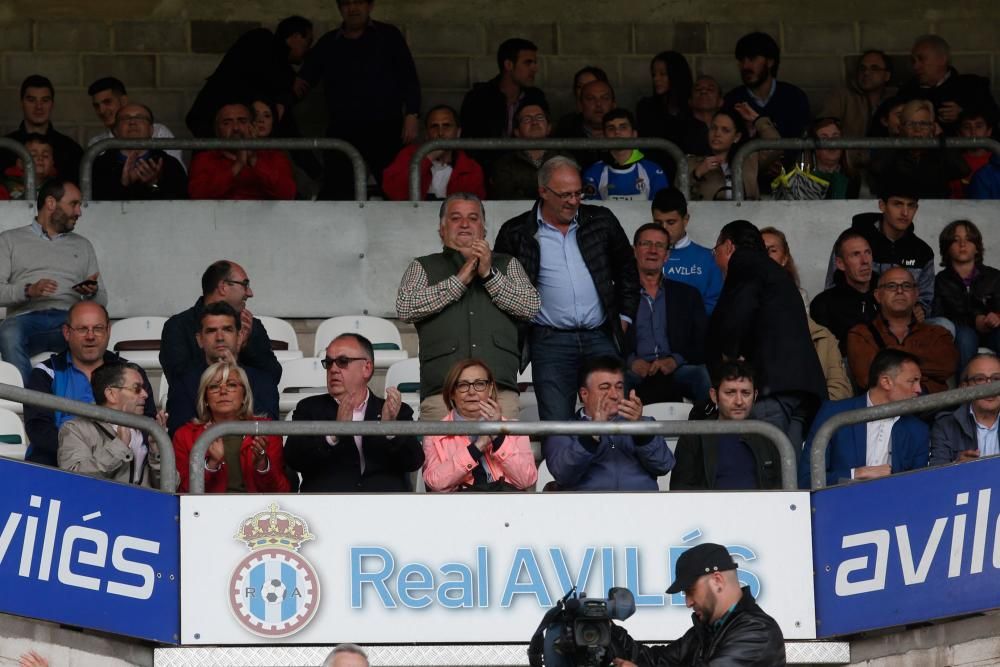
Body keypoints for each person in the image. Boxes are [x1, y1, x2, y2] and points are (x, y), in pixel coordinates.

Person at [494, 156, 639, 421]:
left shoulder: (601, 220)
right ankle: (557, 465)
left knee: (615, 417)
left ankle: (613, 465)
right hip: (549, 341)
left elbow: (628, 269)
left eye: (578, 193)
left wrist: (624, 319)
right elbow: (501, 290)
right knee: (557, 424)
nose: (573, 201)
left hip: (600, 336)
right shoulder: (516, 232)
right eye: (565, 195)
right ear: (543, 192)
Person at [396, 193, 539, 421]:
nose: (464, 224)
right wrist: (458, 281)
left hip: (498, 393)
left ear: (483, 229)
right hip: (443, 395)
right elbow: (405, 308)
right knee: (443, 458)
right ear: (441, 230)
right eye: (455, 218)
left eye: (473, 218)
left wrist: (489, 275)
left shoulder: (508, 264)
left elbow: (530, 307)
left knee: (504, 457)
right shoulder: (422, 266)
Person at [709, 220, 826, 446]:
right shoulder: (773, 272)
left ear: (729, 247)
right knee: (789, 468)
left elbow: (740, 311)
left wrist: (729, 357)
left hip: (772, 387)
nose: (716, 261)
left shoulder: (744, 263)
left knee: (769, 465)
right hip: (801, 388)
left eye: (717, 252)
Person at [297, 0, 420, 200]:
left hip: (386, 128)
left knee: (396, 189)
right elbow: (303, 81)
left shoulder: (388, 36)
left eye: (358, 3)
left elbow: (409, 77)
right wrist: (279, 100)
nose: (353, 8)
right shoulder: (329, 42)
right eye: (346, 3)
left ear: (370, 6)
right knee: (337, 193)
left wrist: (412, 114)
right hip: (344, 131)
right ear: (339, 8)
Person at [24, 301, 158, 468]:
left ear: (108, 331)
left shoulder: (130, 371)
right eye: (82, 329)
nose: (90, 336)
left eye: (98, 328)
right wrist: (87, 454)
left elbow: (147, 421)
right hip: (59, 467)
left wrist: (109, 455)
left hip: (122, 464)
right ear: (66, 332)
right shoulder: (46, 372)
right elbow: (39, 430)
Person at [284, 333, 424, 492]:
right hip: (327, 509)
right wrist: (333, 433)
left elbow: (414, 461)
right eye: (329, 363)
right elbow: (294, 458)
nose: (333, 369)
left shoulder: (395, 411)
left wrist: (391, 429)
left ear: (367, 368)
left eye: (343, 362)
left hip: (383, 509)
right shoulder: (309, 408)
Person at [610, 543, 786, 666]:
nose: (688, 602)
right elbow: (654, 660)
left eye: (690, 590)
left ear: (717, 580)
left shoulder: (757, 631)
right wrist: (606, 629)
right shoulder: (705, 632)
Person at [0, 180, 105, 382]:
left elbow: (103, 300)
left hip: (68, 319)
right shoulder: (9, 240)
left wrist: (91, 293)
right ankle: (29, 401)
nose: (79, 212)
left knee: (91, 332)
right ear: (51, 203)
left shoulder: (83, 245)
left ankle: (84, 397)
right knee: (8, 332)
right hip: (26, 319)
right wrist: (28, 291)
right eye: (73, 204)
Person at [799, 349, 928, 488]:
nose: (919, 389)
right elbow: (806, 480)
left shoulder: (918, 429)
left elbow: (917, 487)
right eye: (912, 381)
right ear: (886, 382)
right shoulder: (834, 414)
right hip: (841, 504)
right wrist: (857, 473)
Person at [543, 356, 674, 491]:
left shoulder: (644, 424)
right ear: (584, 394)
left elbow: (663, 466)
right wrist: (591, 436)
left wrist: (640, 431)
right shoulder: (563, 431)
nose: (614, 395)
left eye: (619, 387)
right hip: (588, 509)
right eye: (605, 387)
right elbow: (563, 475)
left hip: (640, 508)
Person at [760, 227, 852, 401]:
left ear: (784, 258)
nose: (766, 256)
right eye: (760, 251)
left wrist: (813, 413)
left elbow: (840, 389)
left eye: (772, 250)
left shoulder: (823, 338)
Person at [186, 17, 314, 140]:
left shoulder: (277, 72)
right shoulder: (261, 40)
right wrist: (289, 81)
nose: (308, 49)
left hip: (214, 126)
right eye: (308, 42)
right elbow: (264, 70)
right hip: (210, 121)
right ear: (296, 36)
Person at [173, 361, 289, 493]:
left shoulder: (266, 430)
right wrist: (211, 464)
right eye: (214, 387)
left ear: (244, 396)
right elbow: (182, 494)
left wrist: (262, 464)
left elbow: (282, 492)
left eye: (232, 385)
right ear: (205, 399)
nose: (223, 391)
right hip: (208, 511)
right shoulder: (185, 435)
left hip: (256, 511)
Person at [421, 358, 537, 492]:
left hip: (505, 507)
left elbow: (526, 480)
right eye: (463, 385)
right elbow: (435, 483)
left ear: (490, 388)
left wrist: (498, 436)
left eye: (480, 384)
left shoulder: (515, 429)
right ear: (452, 392)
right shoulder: (434, 432)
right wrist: (477, 447)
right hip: (458, 508)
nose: (471, 392)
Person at [160, 259, 281, 387]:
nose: (250, 293)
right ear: (223, 287)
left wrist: (246, 347)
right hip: (193, 405)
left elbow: (272, 377)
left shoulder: (250, 326)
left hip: (247, 405)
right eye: (245, 285)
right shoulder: (178, 326)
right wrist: (219, 357)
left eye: (228, 329)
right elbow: (178, 380)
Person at [626, 223, 709, 404]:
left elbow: (702, 339)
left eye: (660, 245)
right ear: (634, 251)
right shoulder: (618, 295)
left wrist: (674, 360)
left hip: (677, 368)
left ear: (667, 255)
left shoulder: (688, 294)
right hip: (632, 370)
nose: (653, 250)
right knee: (611, 381)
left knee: (701, 375)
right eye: (646, 244)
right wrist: (631, 362)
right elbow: (606, 339)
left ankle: (709, 431)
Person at [165, 302, 279, 435]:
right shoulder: (183, 384)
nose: (219, 338)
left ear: (240, 337)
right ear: (200, 340)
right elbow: (179, 435)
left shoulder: (263, 381)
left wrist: (236, 374)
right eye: (211, 331)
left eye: (227, 329)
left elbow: (268, 431)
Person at [825, 184, 935, 317]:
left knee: (943, 325)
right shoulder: (852, 240)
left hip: (903, 321)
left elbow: (926, 299)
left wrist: (920, 309)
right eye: (898, 204)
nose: (905, 212)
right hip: (855, 318)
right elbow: (832, 288)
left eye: (911, 205)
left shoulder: (922, 251)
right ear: (882, 205)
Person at [671, 360, 781, 490]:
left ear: (755, 396)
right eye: (730, 393)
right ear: (713, 395)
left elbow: (782, 493)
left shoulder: (769, 436)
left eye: (746, 393)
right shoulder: (694, 437)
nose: (739, 401)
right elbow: (680, 493)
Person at [846, 267, 957, 394]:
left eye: (906, 286)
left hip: (930, 408)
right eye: (891, 286)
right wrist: (921, 376)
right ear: (878, 295)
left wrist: (887, 357)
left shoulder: (937, 333)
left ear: (916, 294)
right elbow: (867, 379)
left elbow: (946, 367)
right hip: (882, 410)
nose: (900, 290)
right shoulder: (861, 334)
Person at [58, 362, 161, 486]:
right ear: (111, 394)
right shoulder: (76, 429)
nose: (145, 394)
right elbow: (73, 480)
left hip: (146, 504)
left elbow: (171, 486)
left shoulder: (149, 430)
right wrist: (119, 445)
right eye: (137, 388)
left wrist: (156, 451)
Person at [188, 101, 296, 200]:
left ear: (253, 126)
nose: (235, 128)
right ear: (217, 130)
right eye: (227, 123)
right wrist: (237, 166)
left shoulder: (274, 157)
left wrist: (254, 160)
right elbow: (196, 195)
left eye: (242, 121)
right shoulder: (204, 159)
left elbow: (288, 194)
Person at [897, 35, 999, 137]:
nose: (915, 66)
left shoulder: (972, 86)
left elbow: (993, 114)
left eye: (921, 59)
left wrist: (963, 112)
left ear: (942, 59)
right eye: (913, 61)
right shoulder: (907, 91)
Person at [867, 98, 968, 199]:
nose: (917, 129)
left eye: (923, 124)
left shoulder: (939, 153)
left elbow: (962, 170)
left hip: (936, 211)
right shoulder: (891, 152)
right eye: (911, 124)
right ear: (901, 128)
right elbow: (875, 173)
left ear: (932, 128)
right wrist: (898, 141)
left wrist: (941, 137)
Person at [932, 219, 1000, 370]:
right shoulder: (941, 281)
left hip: (992, 331)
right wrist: (974, 320)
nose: (963, 244)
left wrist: (996, 316)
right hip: (962, 332)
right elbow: (938, 316)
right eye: (956, 240)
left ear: (977, 248)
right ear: (947, 248)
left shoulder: (994, 276)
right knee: (965, 337)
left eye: (969, 239)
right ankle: (965, 390)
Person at [381, 105, 486, 201]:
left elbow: (472, 207)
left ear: (458, 132)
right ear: (426, 134)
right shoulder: (409, 155)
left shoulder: (471, 168)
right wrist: (427, 158)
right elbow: (395, 193)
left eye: (446, 126)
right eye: (434, 126)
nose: (440, 133)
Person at [723, 31, 810, 140]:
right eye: (741, 60)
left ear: (770, 62)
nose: (745, 66)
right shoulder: (732, 100)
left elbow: (802, 143)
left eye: (752, 58)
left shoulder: (794, 97)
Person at [817, 49, 896, 170]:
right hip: (846, 167)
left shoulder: (895, 99)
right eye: (862, 68)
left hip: (886, 169)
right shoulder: (841, 96)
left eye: (874, 68)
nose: (866, 73)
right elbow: (823, 129)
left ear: (887, 75)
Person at [91, 104, 188, 200]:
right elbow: (93, 206)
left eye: (140, 118)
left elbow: (180, 206)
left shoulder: (168, 164)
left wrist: (153, 185)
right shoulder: (100, 165)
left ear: (151, 130)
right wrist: (123, 185)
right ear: (115, 131)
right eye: (125, 118)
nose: (132, 122)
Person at [460, 37, 546, 145]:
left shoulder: (536, 97)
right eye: (528, 63)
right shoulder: (478, 98)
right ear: (508, 65)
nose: (534, 68)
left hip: (525, 161)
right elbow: (470, 143)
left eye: (535, 63)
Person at [651, 187, 722, 314]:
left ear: (686, 220)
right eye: (658, 222)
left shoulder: (709, 259)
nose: (664, 228)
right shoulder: (643, 257)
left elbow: (714, 303)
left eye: (671, 222)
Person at [687, 106, 781, 201]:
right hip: (706, 215)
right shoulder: (692, 163)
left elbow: (776, 146)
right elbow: (679, 201)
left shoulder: (749, 160)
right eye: (714, 128)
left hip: (748, 215)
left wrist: (757, 119)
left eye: (725, 130)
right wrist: (696, 174)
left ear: (736, 137)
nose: (717, 134)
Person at [88, 76, 183, 167]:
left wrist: (154, 182)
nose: (101, 110)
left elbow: (177, 175)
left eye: (107, 102)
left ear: (124, 100)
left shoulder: (159, 132)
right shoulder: (96, 143)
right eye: (96, 106)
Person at [2, 75, 83, 182]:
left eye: (45, 100)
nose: (39, 107)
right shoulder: (4, 148)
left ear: (52, 104)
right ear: (21, 103)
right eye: (31, 100)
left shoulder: (71, 150)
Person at [810, 229, 879, 355]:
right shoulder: (824, 303)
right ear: (840, 264)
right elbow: (825, 353)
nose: (864, 261)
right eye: (855, 254)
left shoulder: (888, 295)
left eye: (867, 252)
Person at [582, 109, 668, 201]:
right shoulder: (593, 172)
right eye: (611, 128)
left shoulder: (653, 170)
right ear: (604, 136)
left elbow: (662, 211)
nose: (617, 132)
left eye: (623, 127)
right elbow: (592, 212)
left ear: (634, 134)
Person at [930, 354, 1000, 465]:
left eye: (996, 379)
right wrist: (957, 466)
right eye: (980, 379)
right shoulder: (945, 425)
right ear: (965, 387)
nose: (989, 387)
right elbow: (935, 476)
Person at [489, 101, 566, 200]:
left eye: (539, 118)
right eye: (527, 119)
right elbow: (505, 198)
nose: (534, 122)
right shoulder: (505, 163)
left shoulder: (564, 159)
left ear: (549, 128)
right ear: (517, 131)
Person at [634, 51, 695, 153]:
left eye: (663, 74)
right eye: (654, 74)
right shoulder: (646, 107)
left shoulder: (692, 107)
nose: (656, 79)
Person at [554, 79, 616, 169]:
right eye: (591, 98)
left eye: (605, 98)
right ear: (580, 105)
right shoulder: (566, 132)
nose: (598, 104)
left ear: (614, 104)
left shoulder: (625, 132)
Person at [807, 117, 859, 199]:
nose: (831, 143)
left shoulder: (855, 178)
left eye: (835, 137)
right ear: (813, 147)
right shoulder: (802, 179)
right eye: (824, 138)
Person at [950, 109, 995, 197]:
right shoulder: (953, 161)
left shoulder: (997, 160)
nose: (973, 132)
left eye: (978, 126)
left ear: (989, 131)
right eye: (967, 127)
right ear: (959, 133)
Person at [1, 133, 58, 200]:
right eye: (33, 155)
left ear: (52, 164)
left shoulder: (59, 187)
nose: (40, 158)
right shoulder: (5, 187)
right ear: (20, 163)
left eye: (45, 156)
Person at [686, 75, 723, 156]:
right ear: (690, 101)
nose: (703, 92)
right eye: (698, 89)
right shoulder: (679, 129)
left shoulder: (728, 129)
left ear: (720, 101)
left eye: (710, 89)